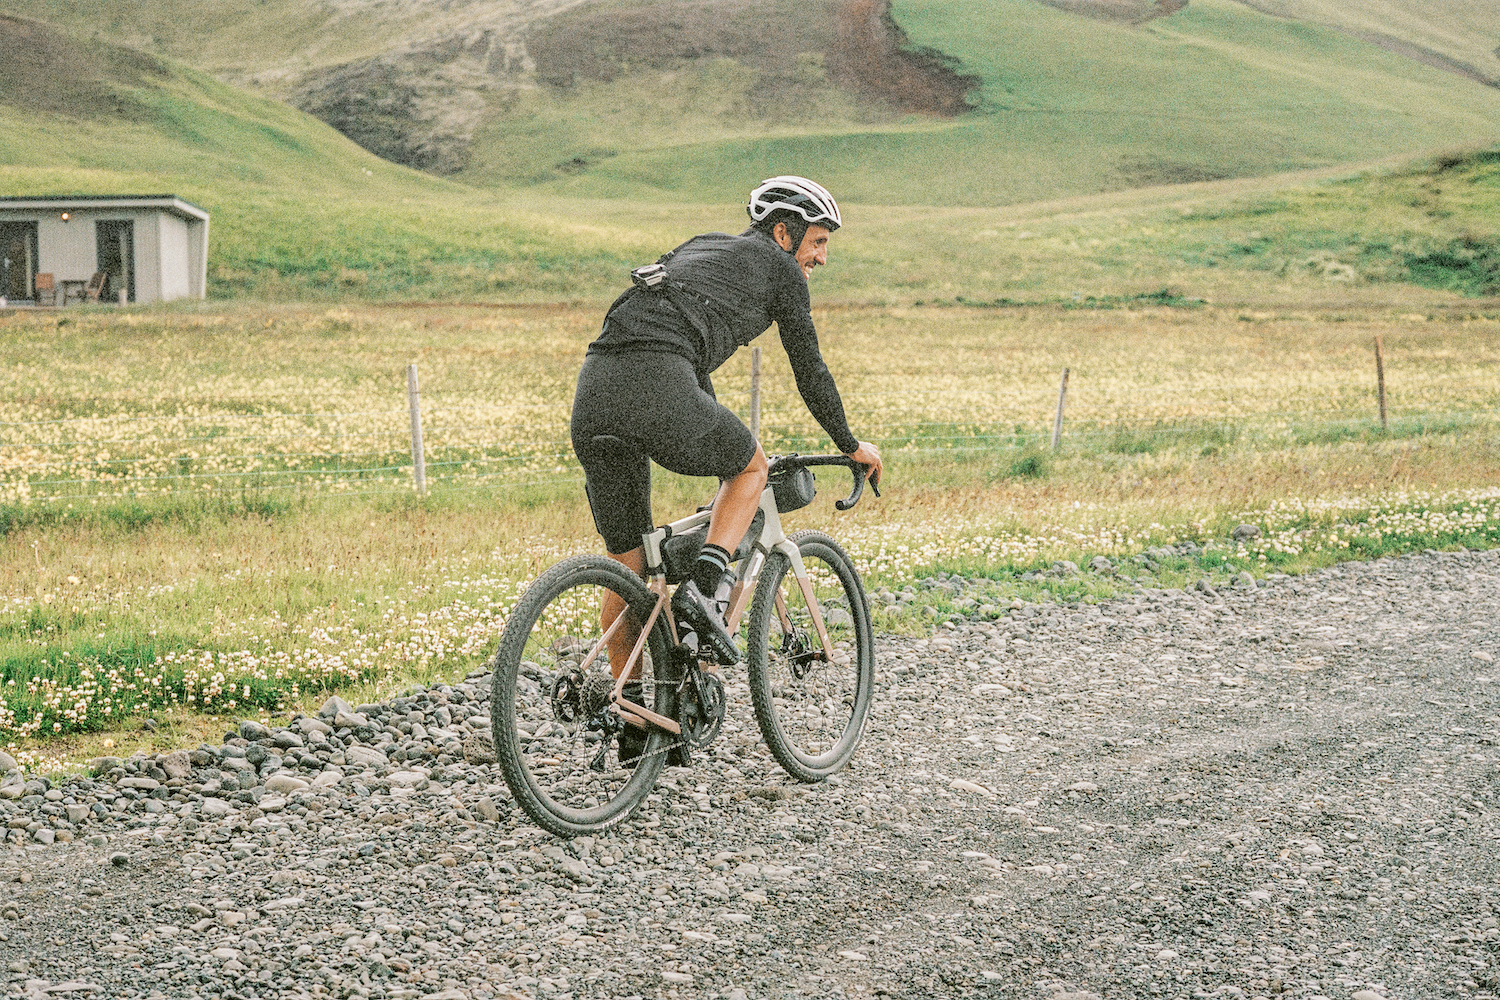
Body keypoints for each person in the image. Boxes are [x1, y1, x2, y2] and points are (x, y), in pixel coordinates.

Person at [570, 175, 883, 678]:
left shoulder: (703, 249)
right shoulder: (780, 270)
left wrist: (707, 421)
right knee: (750, 467)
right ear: (784, 234)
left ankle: (629, 719)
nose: (822, 258)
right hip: (658, 379)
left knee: (628, 569)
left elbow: (683, 355)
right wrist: (849, 443)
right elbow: (810, 368)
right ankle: (705, 587)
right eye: (819, 241)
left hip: (595, 393)